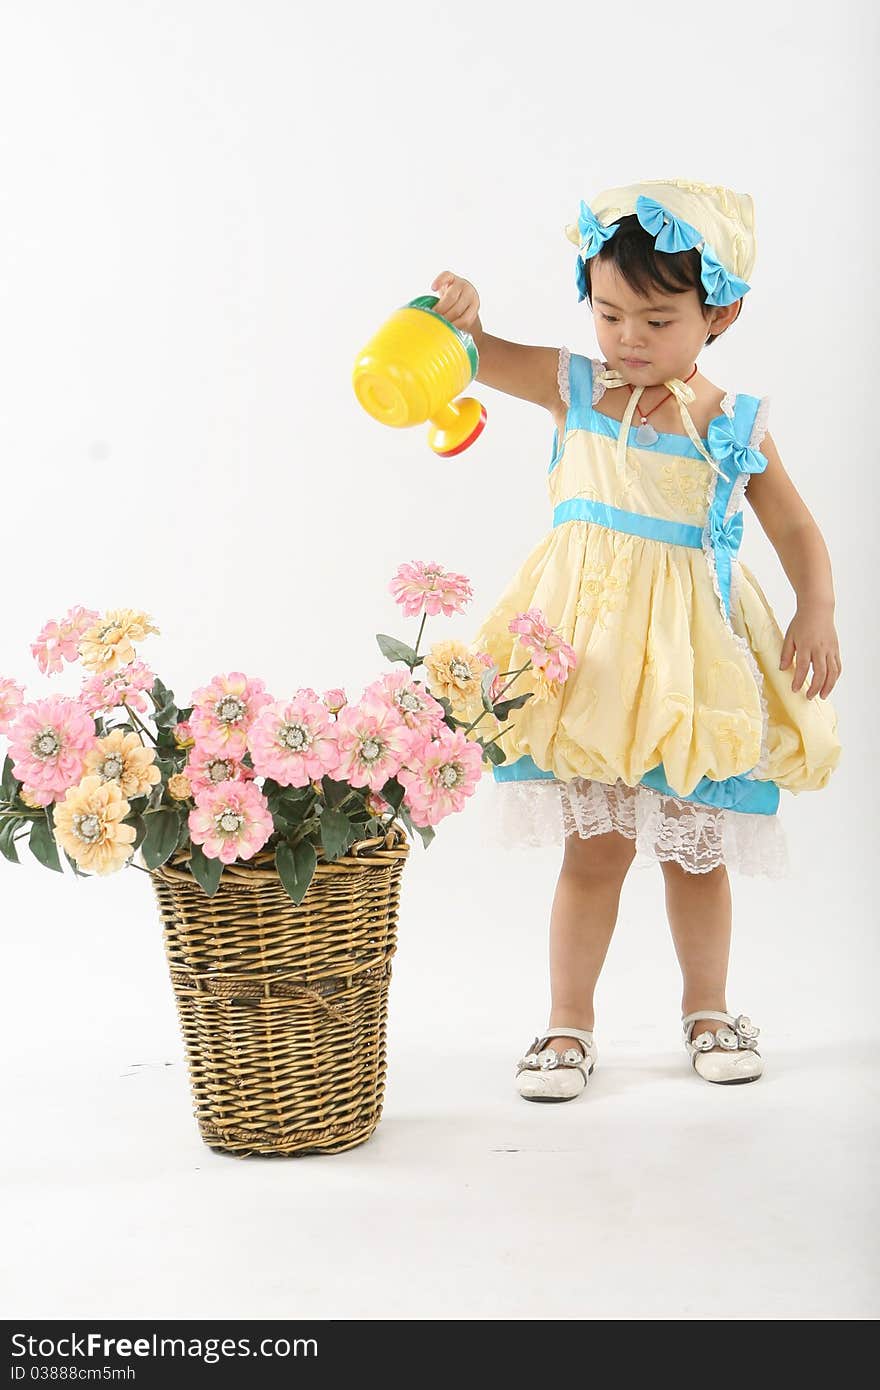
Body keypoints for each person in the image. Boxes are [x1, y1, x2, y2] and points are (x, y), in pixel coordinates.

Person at [428, 177, 842, 1099]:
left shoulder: (730, 425)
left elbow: (798, 529)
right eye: (610, 313)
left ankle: (708, 1008)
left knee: (694, 856)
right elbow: (472, 354)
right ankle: (566, 1026)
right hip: (588, 660)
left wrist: (817, 606)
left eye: (657, 321)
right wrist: (459, 313)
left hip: (689, 665)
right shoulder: (572, 387)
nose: (628, 339)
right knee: (594, 851)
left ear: (718, 314)